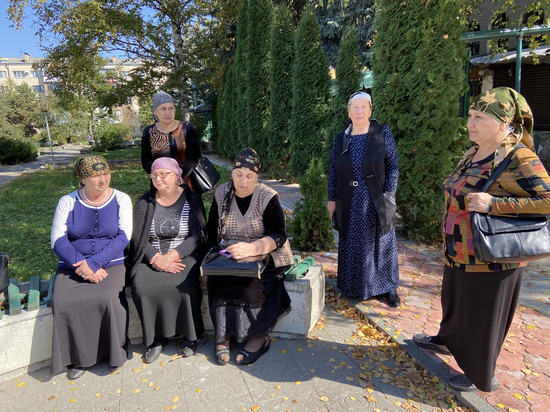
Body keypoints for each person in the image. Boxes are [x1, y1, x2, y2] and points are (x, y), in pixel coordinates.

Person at [413, 87, 550, 392]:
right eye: (470, 115)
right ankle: (447, 340)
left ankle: (479, 374)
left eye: (479, 117)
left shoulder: (519, 157)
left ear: (503, 124)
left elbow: (547, 200)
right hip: (459, 249)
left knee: (482, 315)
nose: (470, 123)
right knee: (455, 301)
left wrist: (495, 204)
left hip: (491, 257)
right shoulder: (475, 152)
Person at [205, 148, 293, 365]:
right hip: (231, 253)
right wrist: (205, 265)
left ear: (257, 176)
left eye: (249, 176)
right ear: (232, 173)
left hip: (266, 253)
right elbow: (211, 233)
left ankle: (258, 337)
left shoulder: (267, 196)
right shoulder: (221, 194)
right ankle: (223, 336)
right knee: (218, 279)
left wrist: (253, 249)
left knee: (253, 283)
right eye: (238, 174)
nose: (243, 181)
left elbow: (279, 235)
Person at [50, 155, 132, 380]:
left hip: (110, 263)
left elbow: (124, 236)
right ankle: (77, 358)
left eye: (106, 173)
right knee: (63, 302)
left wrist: (93, 264)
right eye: (96, 175)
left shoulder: (121, 199)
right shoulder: (67, 201)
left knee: (108, 299)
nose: (102, 179)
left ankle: (113, 353)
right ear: (83, 178)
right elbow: (57, 239)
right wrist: (83, 266)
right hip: (73, 265)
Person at [126, 157, 207, 363]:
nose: (158, 178)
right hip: (151, 256)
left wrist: (172, 255)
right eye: (154, 175)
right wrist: (155, 259)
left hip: (183, 254)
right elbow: (137, 237)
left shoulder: (191, 199)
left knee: (185, 284)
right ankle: (155, 339)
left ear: (177, 176)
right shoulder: (144, 203)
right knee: (142, 287)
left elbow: (197, 236)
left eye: (164, 174)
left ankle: (192, 336)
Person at [327, 91, 400, 307]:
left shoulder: (382, 133)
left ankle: (387, 288)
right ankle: (354, 286)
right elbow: (333, 170)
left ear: (370, 110)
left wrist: (389, 194)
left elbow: (393, 166)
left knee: (380, 241)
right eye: (355, 108)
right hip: (348, 198)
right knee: (352, 241)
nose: (359, 112)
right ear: (348, 112)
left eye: (363, 107)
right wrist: (331, 199)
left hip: (376, 197)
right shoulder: (341, 139)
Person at [141, 91, 201, 187]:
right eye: (163, 109)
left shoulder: (187, 127)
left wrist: (179, 176)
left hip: (186, 181)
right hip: (161, 183)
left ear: (174, 110)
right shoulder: (149, 131)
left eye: (171, 108)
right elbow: (146, 160)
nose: (168, 113)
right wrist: (158, 175)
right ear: (155, 112)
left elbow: (194, 156)